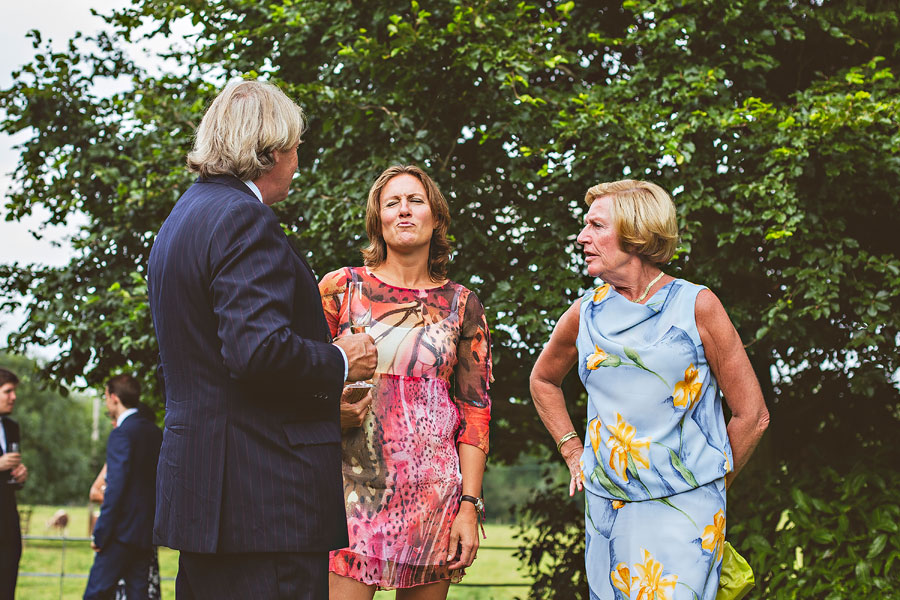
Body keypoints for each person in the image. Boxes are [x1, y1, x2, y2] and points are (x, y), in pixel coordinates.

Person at [147, 79, 377, 600]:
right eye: (296, 147)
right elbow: (256, 351)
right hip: (265, 498)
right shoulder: (243, 219)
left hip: (207, 495)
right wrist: (339, 360)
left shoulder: (182, 218)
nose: (298, 160)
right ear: (271, 152)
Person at [529, 179, 770, 599]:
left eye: (596, 225)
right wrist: (572, 449)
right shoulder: (584, 314)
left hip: (686, 509)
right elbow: (543, 380)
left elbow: (753, 416)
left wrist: (707, 484)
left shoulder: (697, 305)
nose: (582, 237)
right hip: (608, 509)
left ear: (636, 233)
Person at [319, 165, 492, 599]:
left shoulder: (462, 304)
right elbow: (297, 376)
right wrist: (326, 410)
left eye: (415, 200)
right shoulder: (342, 288)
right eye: (391, 202)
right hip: (351, 491)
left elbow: (476, 410)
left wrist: (468, 506)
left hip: (435, 498)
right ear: (377, 218)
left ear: (436, 216)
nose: (404, 211)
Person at [84, 375, 163, 600]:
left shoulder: (122, 433)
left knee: (95, 594)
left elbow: (115, 488)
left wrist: (100, 534)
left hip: (120, 534)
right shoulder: (154, 432)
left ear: (114, 398)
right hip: (145, 533)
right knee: (138, 595)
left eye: (106, 397)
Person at [0, 368, 27, 600]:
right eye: (7, 391)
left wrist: (19, 476)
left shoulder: (12, 427)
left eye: (14, 392)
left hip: (8, 522)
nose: (13, 397)